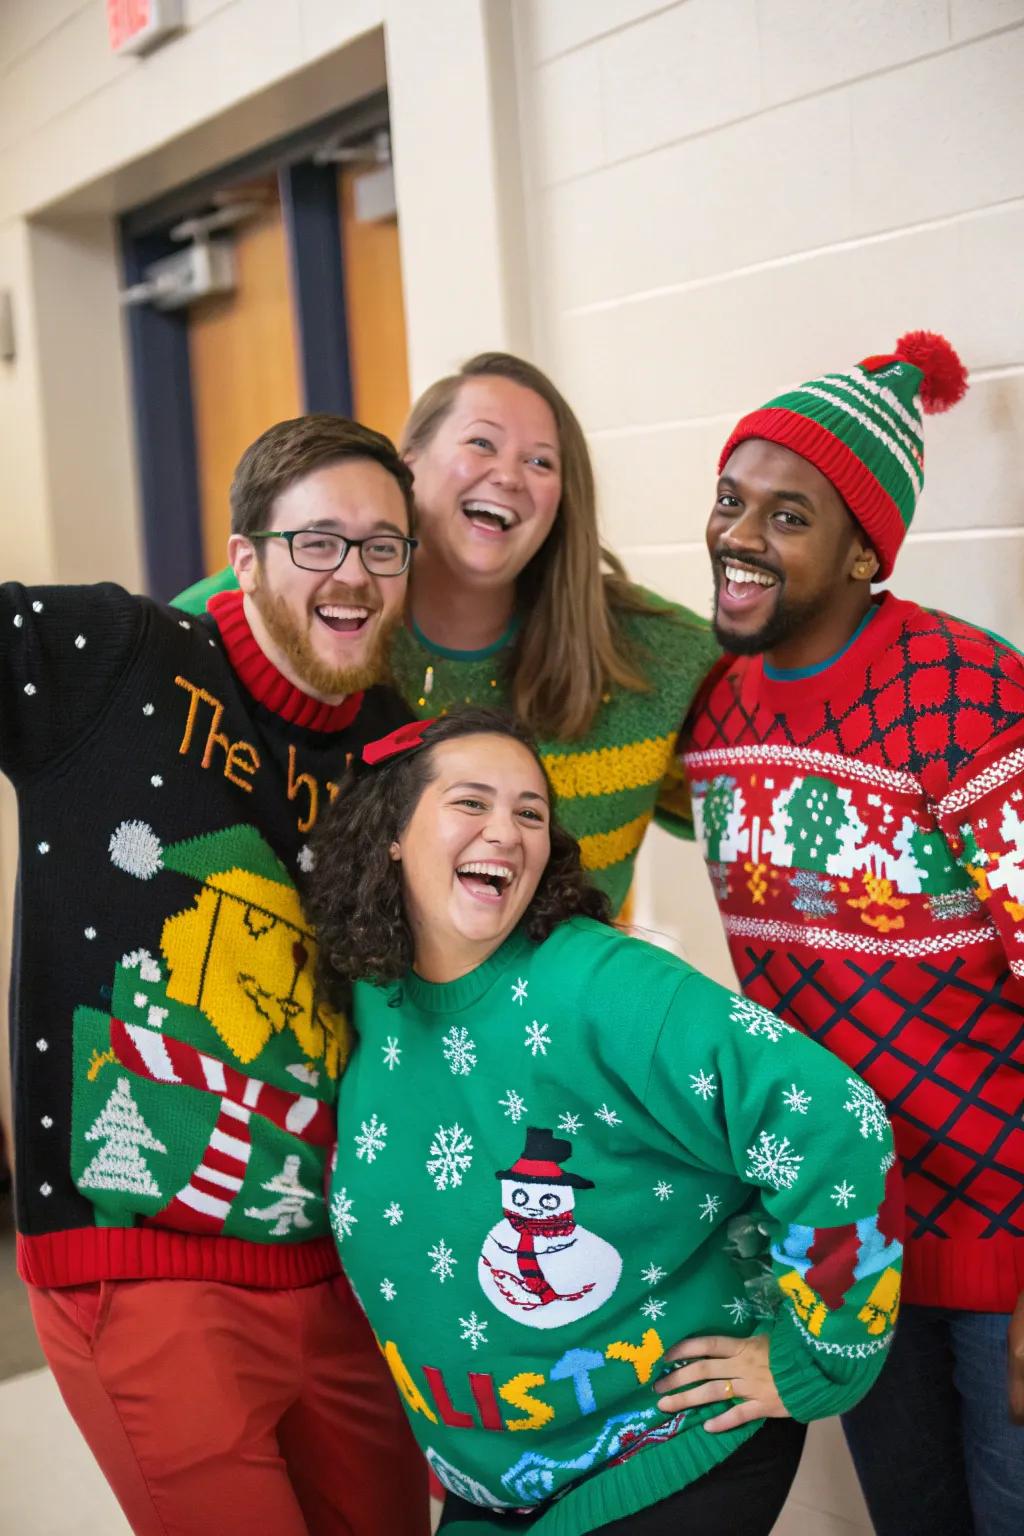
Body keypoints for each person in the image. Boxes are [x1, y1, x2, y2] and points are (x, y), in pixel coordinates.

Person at [306, 707, 905, 1534]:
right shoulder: (373, 991)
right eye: (471, 803)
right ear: (392, 835)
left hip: (662, 1449)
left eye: (530, 813)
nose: (506, 832)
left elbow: (836, 1123)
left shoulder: (604, 986)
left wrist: (816, 1359)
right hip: (493, 1486)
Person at [4, 416, 428, 1535]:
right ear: (243, 559)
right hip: (140, 1259)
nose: (354, 572)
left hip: (335, 1267)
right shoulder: (112, 655)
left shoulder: (402, 748)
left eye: (385, 546)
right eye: (319, 542)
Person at [677, 330, 1024, 1534]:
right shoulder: (710, 713)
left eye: (787, 516)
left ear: (864, 551)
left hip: (1005, 1248)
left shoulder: (967, 693)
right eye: (731, 500)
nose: (738, 535)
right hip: (846, 1235)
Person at [175, 353, 720, 914]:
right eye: (481, 444)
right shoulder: (275, 597)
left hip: (562, 993)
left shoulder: (660, 655)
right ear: (407, 469)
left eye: (540, 461)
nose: (508, 475)